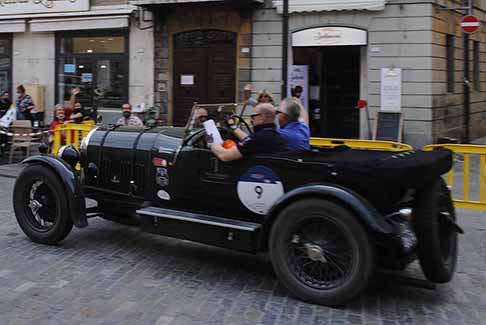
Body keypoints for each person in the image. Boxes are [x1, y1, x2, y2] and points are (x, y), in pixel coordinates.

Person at [210, 103, 287, 162]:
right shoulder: (276, 136)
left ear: (261, 118)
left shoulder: (259, 138)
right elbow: (250, 140)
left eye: (253, 116)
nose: (251, 120)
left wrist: (211, 142)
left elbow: (224, 155)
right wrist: (233, 127)